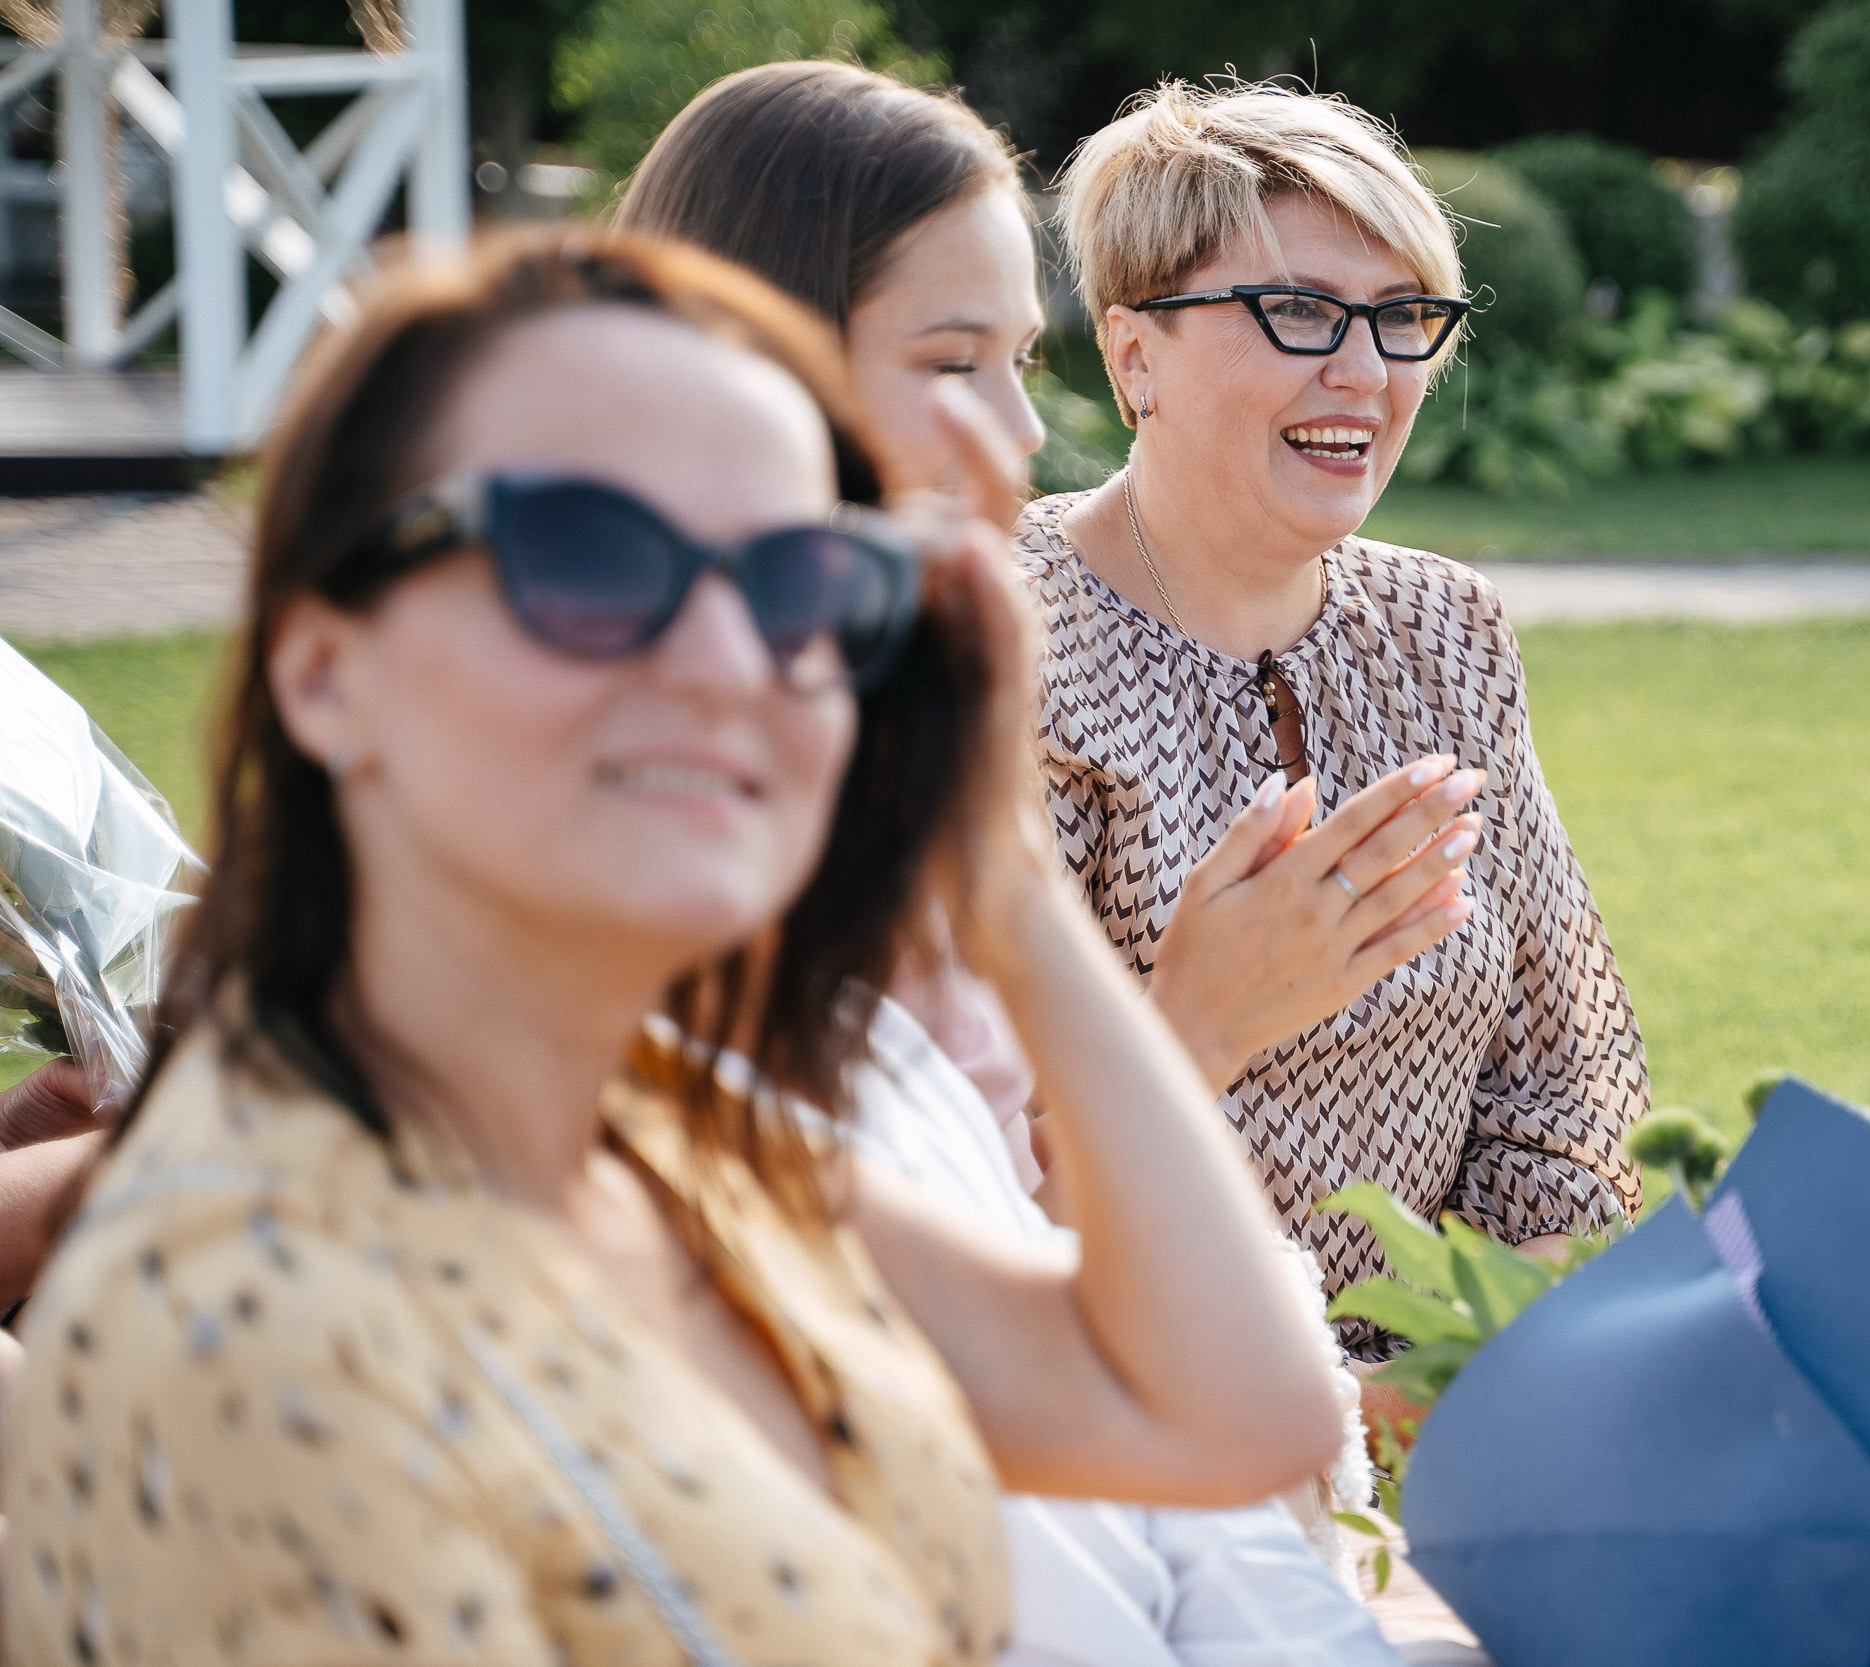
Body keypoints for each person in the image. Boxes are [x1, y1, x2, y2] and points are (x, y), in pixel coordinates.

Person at [0, 228, 1342, 1667]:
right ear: (325, 670)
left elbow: (1231, 1411)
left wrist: (1001, 871)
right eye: (587, 558)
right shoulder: (258, 1322)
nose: (723, 661)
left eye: (798, 581)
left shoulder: (681, 1139)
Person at [616, 62, 1425, 1667]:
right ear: (743, 371)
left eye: (1018, 361)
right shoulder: (647, 842)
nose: (1020, 430)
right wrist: (1182, 1006)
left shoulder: (895, 739)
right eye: (949, 362)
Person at [1034, 81, 1650, 1361]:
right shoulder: (1003, 646)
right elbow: (960, 1175)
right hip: (1139, 1401)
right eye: (1300, 310)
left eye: (1404, 315)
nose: (1366, 373)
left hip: (1458, 1387)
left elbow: (1569, 1083)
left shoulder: (1444, 626)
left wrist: (1467, 1361)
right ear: (1133, 353)